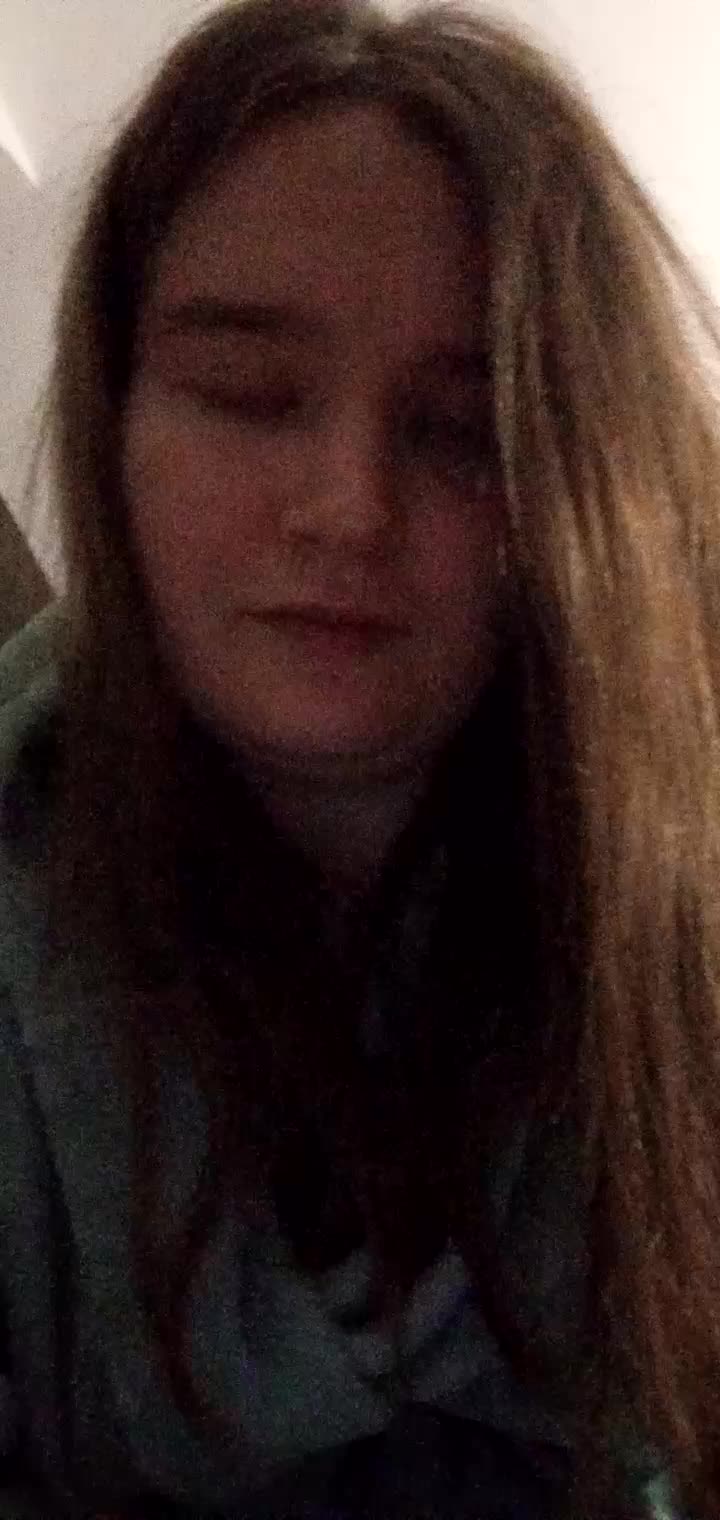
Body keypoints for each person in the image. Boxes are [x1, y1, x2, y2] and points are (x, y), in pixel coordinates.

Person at [0, 0, 718, 1513]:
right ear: (115, 412)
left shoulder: (685, 899)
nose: (348, 508)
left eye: (461, 431)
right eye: (249, 396)